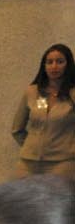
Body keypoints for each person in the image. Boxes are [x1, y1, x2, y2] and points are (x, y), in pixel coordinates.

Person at [9, 43, 74, 177]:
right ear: (44, 66)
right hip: (28, 162)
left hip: (62, 162)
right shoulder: (32, 92)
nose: (54, 66)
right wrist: (32, 146)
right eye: (49, 62)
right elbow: (17, 129)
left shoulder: (73, 94)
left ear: (68, 65)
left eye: (60, 62)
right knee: (19, 190)